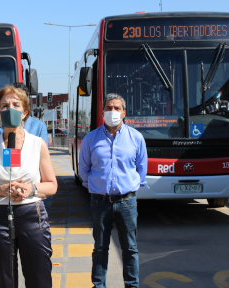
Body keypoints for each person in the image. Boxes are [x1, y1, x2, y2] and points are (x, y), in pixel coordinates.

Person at [0, 84, 58, 287]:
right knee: (4, 280)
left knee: (40, 278)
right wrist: (0, 190)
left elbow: (52, 185)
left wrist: (32, 189)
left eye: (15, 104)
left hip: (32, 216)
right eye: (4, 106)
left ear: (25, 112)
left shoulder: (38, 144)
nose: (9, 109)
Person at [78, 93, 147, 288]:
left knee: (130, 248)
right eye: (108, 108)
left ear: (124, 113)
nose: (112, 112)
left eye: (117, 108)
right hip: (99, 202)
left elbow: (141, 168)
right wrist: (95, 186)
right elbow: (83, 169)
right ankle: (99, 285)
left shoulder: (136, 137)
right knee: (100, 248)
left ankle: (132, 285)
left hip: (127, 202)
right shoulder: (91, 139)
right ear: (102, 112)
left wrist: (132, 187)